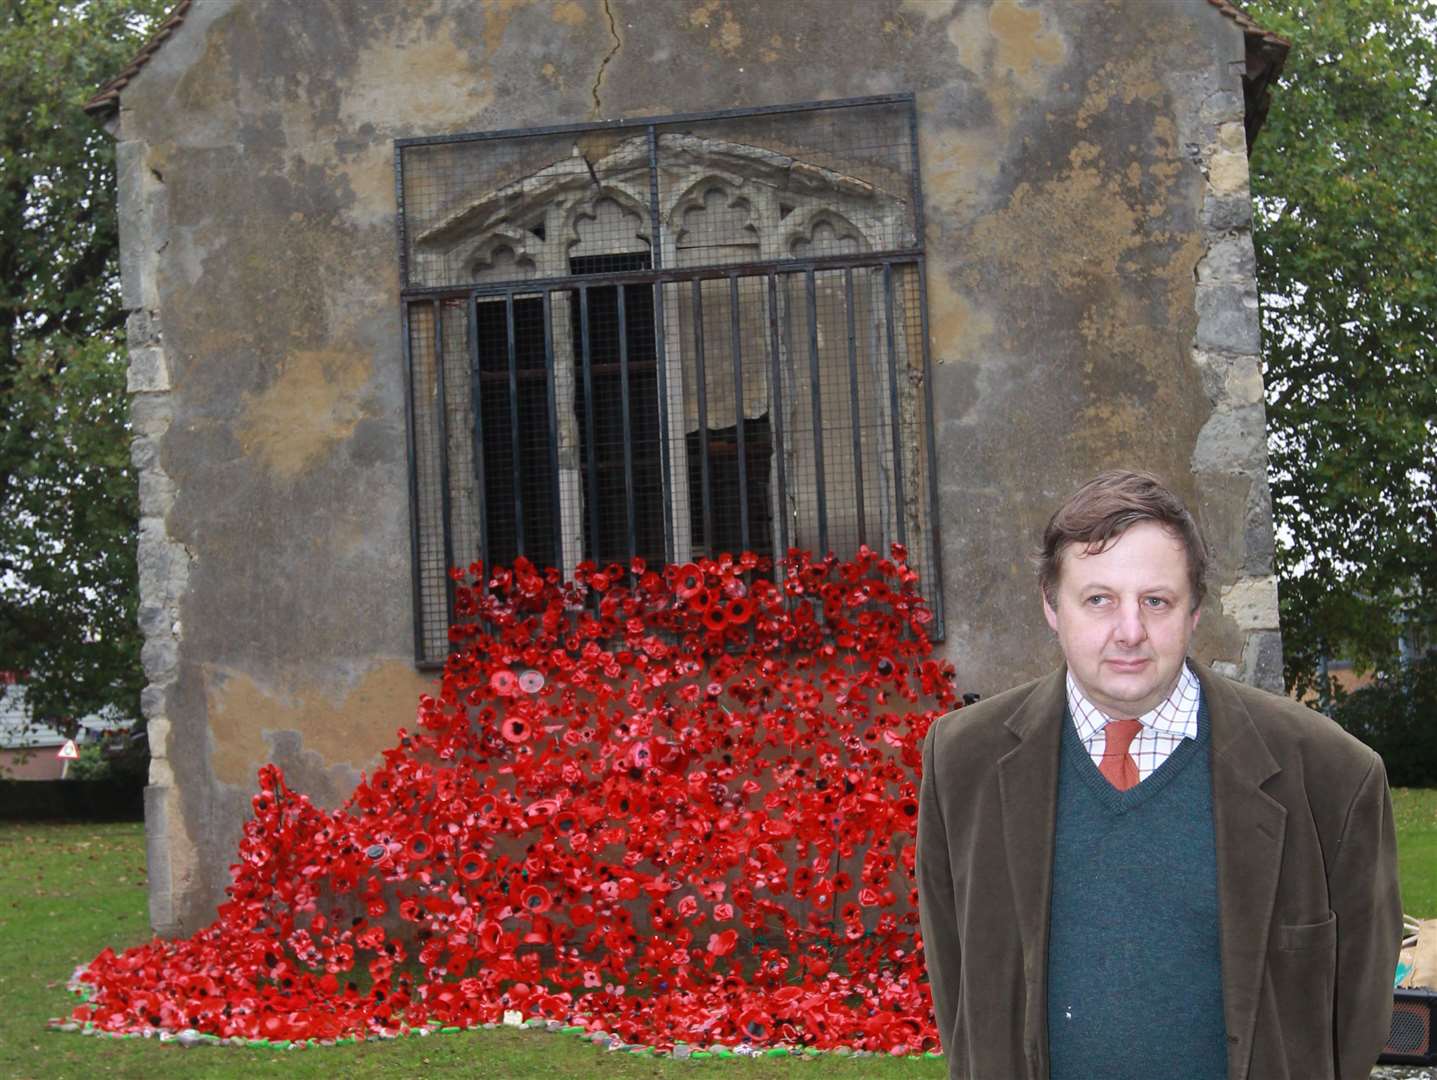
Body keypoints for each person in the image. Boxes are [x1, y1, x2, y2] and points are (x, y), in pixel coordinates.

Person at [916, 470, 1400, 1080]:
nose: (1130, 632)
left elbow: (1357, 1014)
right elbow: (959, 989)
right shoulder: (963, 762)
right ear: (1050, 605)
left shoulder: (1331, 775)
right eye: (1098, 599)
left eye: (1156, 600)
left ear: (1194, 610)